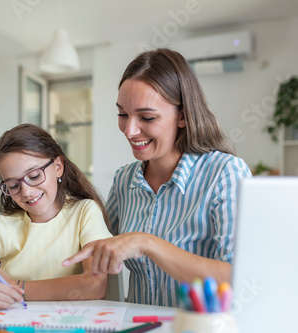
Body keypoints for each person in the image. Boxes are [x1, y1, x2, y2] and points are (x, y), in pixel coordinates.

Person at [63, 48, 252, 307]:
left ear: (183, 116)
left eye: (147, 117)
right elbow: (97, 253)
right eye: (122, 114)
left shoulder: (225, 173)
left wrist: (147, 243)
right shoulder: (124, 181)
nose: (129, 130)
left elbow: (239, 277)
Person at [0, 123, 112, 311]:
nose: (26, 192)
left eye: (34, 176)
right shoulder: (6, 227)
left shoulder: (85, 212)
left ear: (58, 167)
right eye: (13, 185)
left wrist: (16, 286)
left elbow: (94, 285)